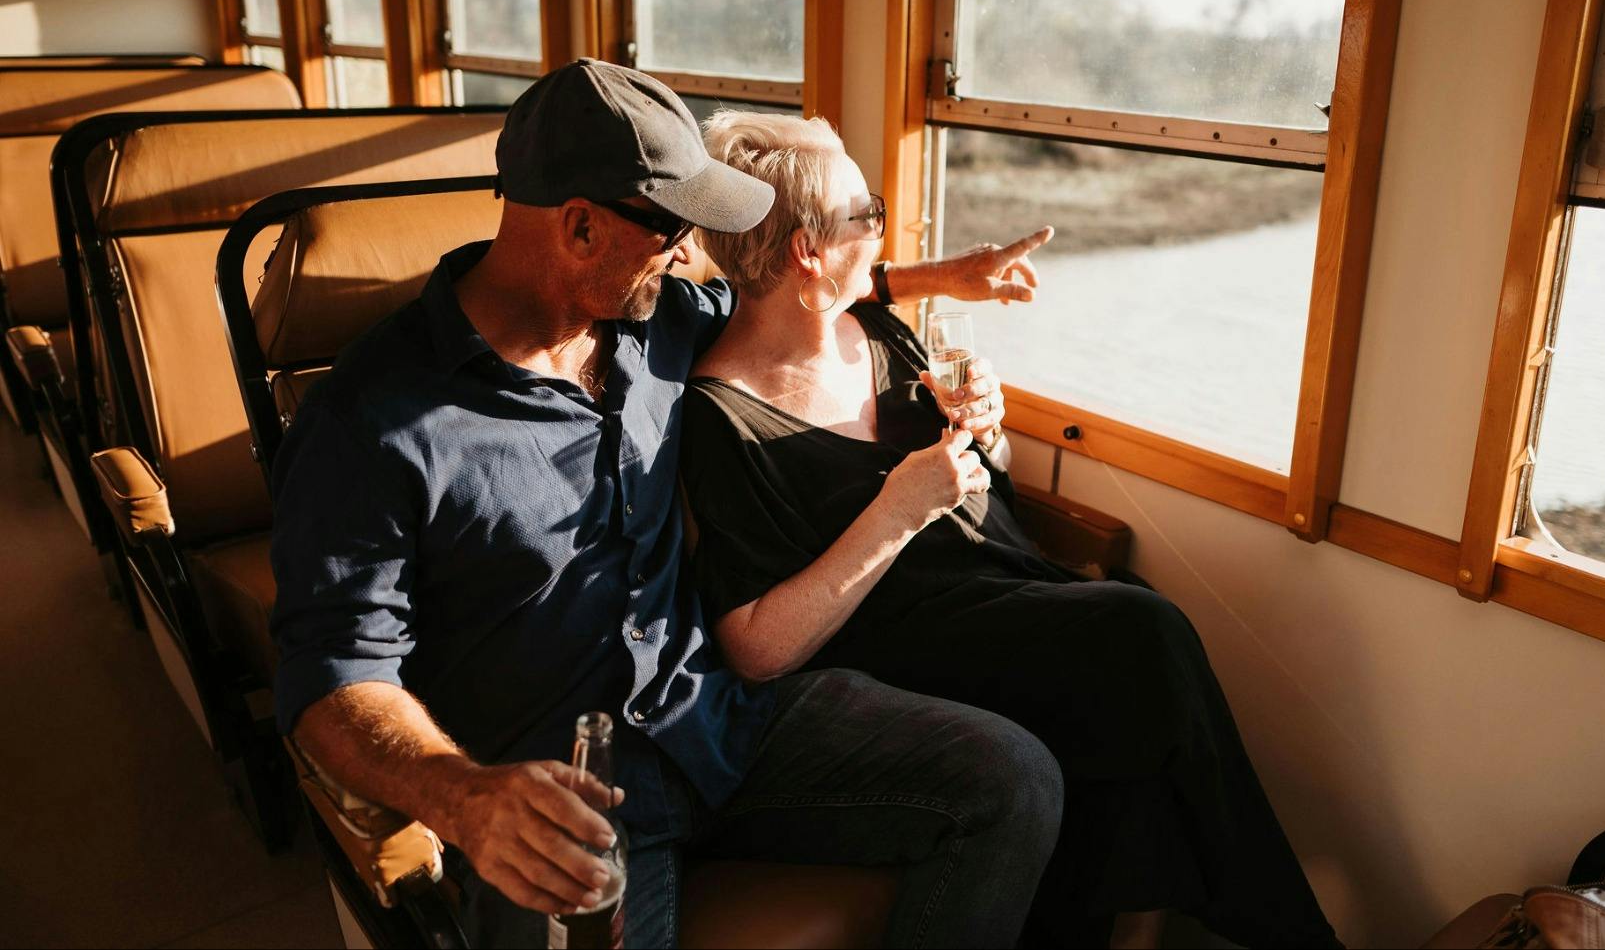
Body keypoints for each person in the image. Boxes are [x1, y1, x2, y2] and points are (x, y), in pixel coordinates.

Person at [269, 60, 1069, 949]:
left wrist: (941, 277)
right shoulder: (370, 422)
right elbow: (331, 674)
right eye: (676, 228)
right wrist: (462, 796)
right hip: (563, 787)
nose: (693, 251)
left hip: (717, 721)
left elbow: (779, 288)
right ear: (579, 227)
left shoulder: (655, 317)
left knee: (1012, 779)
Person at [679, 112, 1341, 949]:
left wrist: (983, 426)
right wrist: (895, 510)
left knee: (1118, 717)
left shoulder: (874, 327)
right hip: (894, 646)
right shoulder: (720, 418)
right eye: (866, 211)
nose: (881, 226)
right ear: (808, 248)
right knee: (1141, 629)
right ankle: (1294, 935)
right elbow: (756, 648)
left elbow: (973, 479)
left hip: (996, 587)